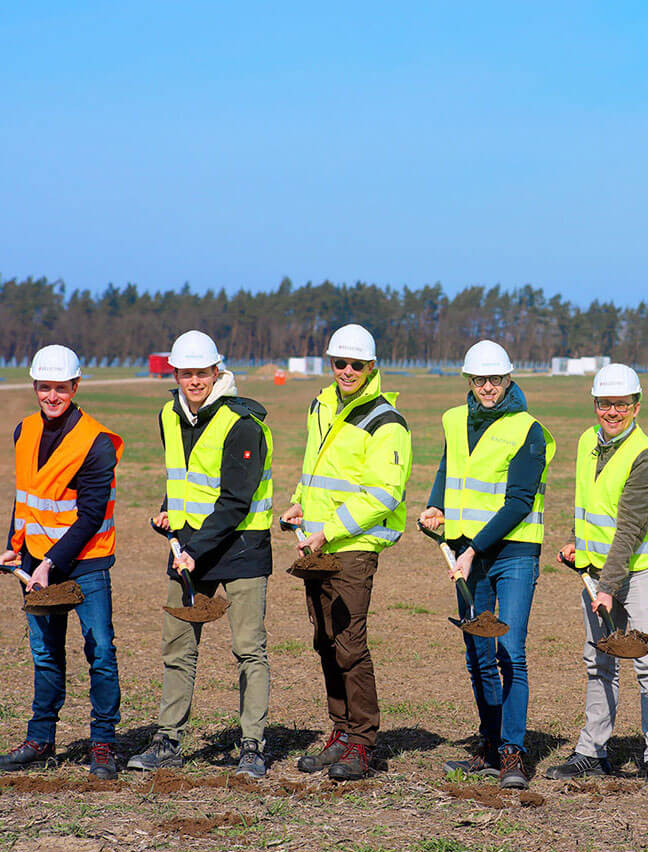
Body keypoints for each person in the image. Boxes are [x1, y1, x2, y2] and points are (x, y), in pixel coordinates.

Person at [127, 330, 274, 779]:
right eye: (186, 373)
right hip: (189, 547)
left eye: (201, 373)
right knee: (177, 646)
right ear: (175, 374)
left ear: (217, 371)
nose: (194, 381)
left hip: (241, 547)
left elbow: (235, 500)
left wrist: (192, 549)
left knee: (249, 648)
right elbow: (182, 477)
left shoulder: (243, 422)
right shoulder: (169, 415)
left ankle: (252, 745)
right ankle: (167, 739)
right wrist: (167, 511)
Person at [420, 340, 556, 790]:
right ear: (469, 381)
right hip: (466, 550)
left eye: (495, 379)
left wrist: (474, 548)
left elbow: (519, 502)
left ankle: (513, 752)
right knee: (478, 654)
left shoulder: (528, 430)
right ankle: (491, 742)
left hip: (513, 553)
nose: (487, 388)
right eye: (479, 380)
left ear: (509, 379)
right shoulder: (453, 420)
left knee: (509, 651)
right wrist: (435, 506)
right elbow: (447, 469)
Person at [284, 324, 412, 781]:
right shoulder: (322, 406)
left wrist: (330, 531)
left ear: (372, 367)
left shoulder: (385, 421)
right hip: (316, 546)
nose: (347, 371)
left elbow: (384, 493)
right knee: (324, 641)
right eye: (340, 362)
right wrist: (300, 499)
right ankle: (339, 732)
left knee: (349, 644)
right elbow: (316, 466)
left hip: (352, 548)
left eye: (357, 364)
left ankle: (362, 741)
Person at [548, 364, 648, 788]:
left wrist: (607, 588)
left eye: (622, 404)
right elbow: (588, 504)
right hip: (597, 570)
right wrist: (575, 541)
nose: (613, 411)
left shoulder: (647, 459)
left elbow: (629, 530)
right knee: (598, 660)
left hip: (642, 572)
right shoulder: (588, 441)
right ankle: (592, 750)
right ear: (595, 404)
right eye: (606, 403)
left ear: (636, 406)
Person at [0, 345, 123, 779]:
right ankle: (40, 739)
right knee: (45, 653)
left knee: (101, 651)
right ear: (35, 386)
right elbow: (25, 496)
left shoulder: (97, 442)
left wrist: (50, 563)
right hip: (34, 561)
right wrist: (14, 545)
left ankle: (104, 742)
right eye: (44, 387)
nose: (52, 396)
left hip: (85, 562)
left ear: (76, 386)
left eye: (61, 388)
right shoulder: (24, 431)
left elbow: (90, 516)